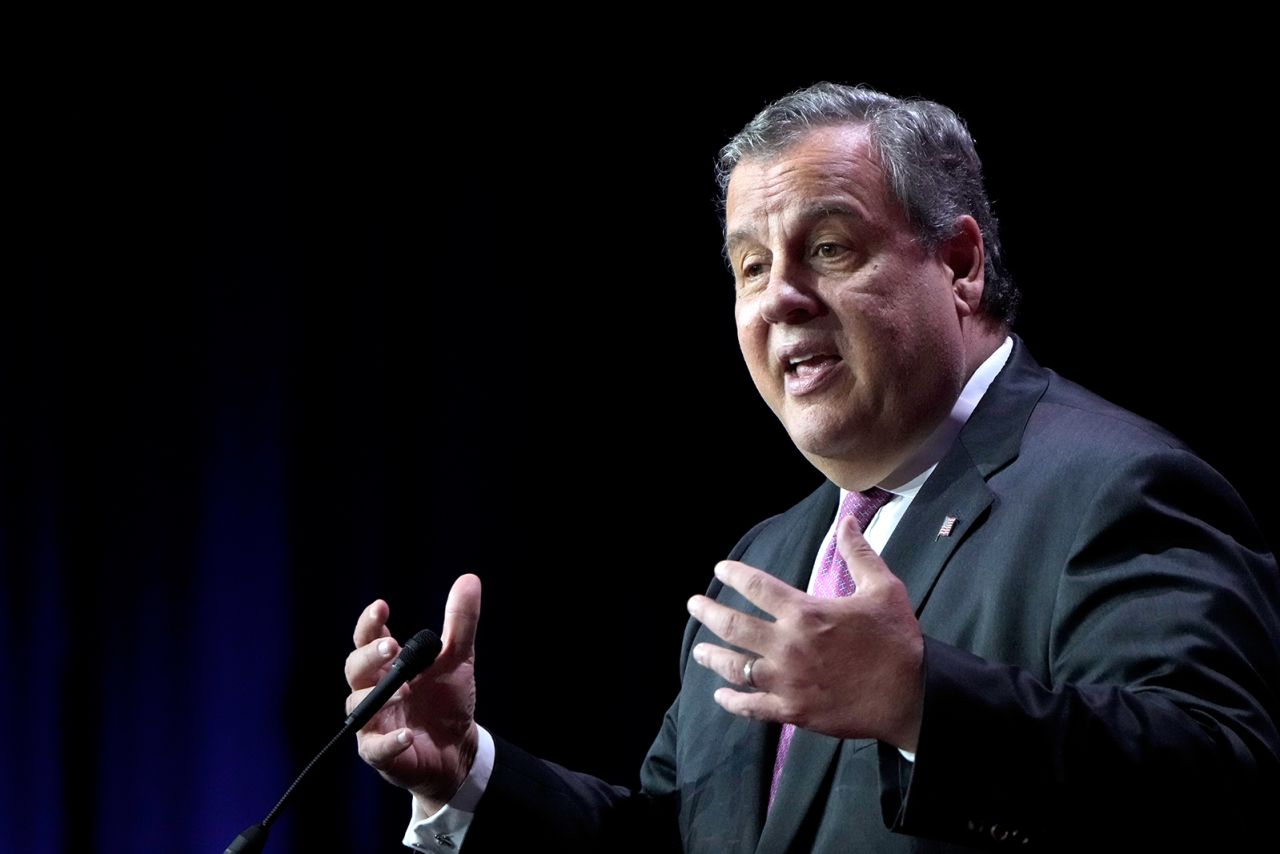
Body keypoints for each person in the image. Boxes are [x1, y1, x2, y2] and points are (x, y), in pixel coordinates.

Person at [343, 83, 1280, 851]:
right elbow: (677, 840)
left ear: (959, 264)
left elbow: (1218, 784)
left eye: (828, 249)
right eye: (750, 267)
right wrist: (470, 776)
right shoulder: (767, 564)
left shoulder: (1116, 489)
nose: (781, 298)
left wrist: (920, 704)